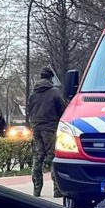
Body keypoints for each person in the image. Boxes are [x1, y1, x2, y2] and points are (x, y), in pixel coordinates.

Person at [26, 66, 66, 197]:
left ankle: (36, 190)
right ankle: (57, 190)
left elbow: (29, 110)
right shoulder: (54, 92)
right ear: (50, 78)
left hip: (36, 128)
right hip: (50, 128)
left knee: (38, 157)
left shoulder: (33, 93)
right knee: (54, 157)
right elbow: (62, 111)